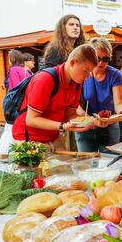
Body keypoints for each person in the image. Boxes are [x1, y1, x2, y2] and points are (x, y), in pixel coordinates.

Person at [12, 45, 107, 151]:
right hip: (29, 140)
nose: (89, 76)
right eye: (86, 71)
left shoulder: (76, 83)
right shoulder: (45, 80)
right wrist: (62, 126)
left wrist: (93, 121)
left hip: (53, 137)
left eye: (91, 72)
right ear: (73, 63)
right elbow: (31, 119)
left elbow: (69, 115)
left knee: (66, 167)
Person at [75, 37, 122, 152]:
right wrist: (89, 119)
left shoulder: (115, 74)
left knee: (108, 164)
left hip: (109, 125)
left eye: (106, 59)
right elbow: (75, 105)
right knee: (86, 164)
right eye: (98, 58)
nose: (102, 63)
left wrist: (121, 111)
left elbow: (119, 103)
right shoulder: (82, 73)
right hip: (86, 124)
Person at [44, 15, 86, 151]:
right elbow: (51, 79)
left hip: (76, 101)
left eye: (77, 25)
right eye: (71, 24)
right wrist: (76, 106)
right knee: (66, 148)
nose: (75, 27)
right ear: (63, 28)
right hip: (61, 105)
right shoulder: (55, 49)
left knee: (76, 143)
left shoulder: (81, 49)